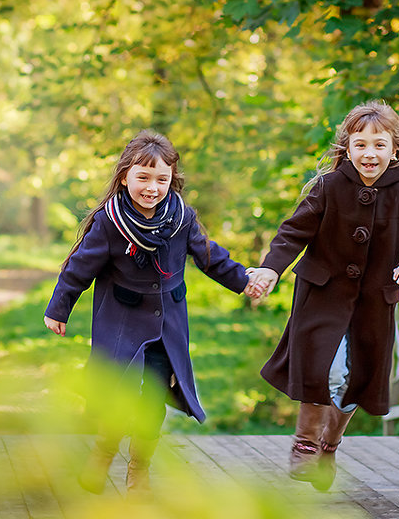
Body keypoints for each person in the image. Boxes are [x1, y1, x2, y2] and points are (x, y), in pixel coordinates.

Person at [247, 100, 399, 491]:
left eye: (378, 145)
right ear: (347, 147)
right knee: (328, 369)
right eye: (360, 145)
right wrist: (271, 268)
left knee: (357, 379)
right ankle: (305, 445)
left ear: (395, 150)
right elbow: (293, 233)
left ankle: (329, 446)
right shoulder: (328, 187)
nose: (369, 153)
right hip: (322, 296)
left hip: (373, 303)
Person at [44, 130, 252, 494]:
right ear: (125, 177)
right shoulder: (110, 222)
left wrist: (243, 280)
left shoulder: (181, 218)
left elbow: (209, 255)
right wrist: (59, 308)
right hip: (122, 323)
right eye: (143, 177)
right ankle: (103, 452)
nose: (152, 187)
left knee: (154, 399)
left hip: (166, 326)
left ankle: (139, 468)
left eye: (162, 179)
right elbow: (79, 267)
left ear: (172, 181)